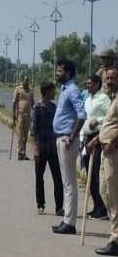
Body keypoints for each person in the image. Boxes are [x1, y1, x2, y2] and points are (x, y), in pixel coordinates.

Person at [51, 58, 86, 235]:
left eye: (60, 71)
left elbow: (82, 114)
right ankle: (67, 219)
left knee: (69, 182)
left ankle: (70, 223)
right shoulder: (65, 90)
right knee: (67, 181)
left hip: (67, 140)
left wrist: (72, 136)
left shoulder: (72, 90)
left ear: (69, 73)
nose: (58, 73)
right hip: (62, 138)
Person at [92, 66, 118, 256]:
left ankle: (115, 240)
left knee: (114, 195)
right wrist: (96, 138)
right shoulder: (112, 98)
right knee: (104, 191)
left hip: (113, 151)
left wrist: (114, 142)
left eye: (113, 78)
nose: (109, 82)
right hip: (104, 149)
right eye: (107, 78)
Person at [83, 73, 114, 220]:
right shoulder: (88, 99)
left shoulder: (104, 99)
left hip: (98, 138)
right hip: (87, 138)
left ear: (97, 84)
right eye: (87, 83)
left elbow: (110, 118)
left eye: (90, 83)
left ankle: (102, 208)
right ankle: (96, 206)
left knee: (96, 174)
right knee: (88, 171)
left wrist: (98, 121)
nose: (87, 85)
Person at [32, 81, 63, 216]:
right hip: (41, 147)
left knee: (57, 178)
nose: (54, 93)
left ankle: (59, 208)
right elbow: (33, 131)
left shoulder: (54, 107)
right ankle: (40, 205)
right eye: (52, 91)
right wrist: (35, 149)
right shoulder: (37, 108)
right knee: (39, 177)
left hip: (53, 147)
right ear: (46, 92)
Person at [13, 77, 35, 160]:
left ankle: (23, 152)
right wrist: (13, 114)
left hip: (28, 115)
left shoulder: (30, 91)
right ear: (22, 81)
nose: (26, 82)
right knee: (20, 135)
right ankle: (19, 151)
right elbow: (14, 102)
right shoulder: (18, 89)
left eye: (28, 81)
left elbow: (32, 103)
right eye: (25, 81)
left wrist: (35, 112)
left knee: (25, 136)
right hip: (20, 114)